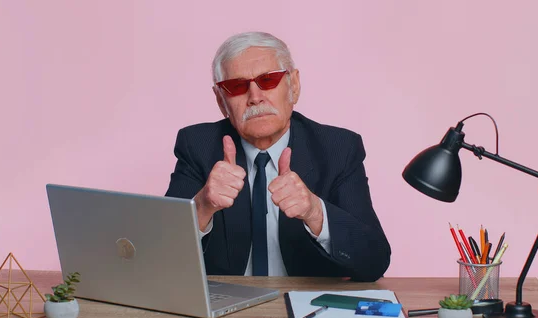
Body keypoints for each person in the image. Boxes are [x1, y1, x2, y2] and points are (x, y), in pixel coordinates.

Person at [165, 32, 390, 281]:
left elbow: (375, 260)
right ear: (221, 100)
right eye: (237, 86)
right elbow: (158, 255)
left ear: (293, 85)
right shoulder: (197, 146)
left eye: (268, 80)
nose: (255, 97)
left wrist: (315, 212)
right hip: (226, 310)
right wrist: (201, 207)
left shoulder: (338, 148)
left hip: (307, 308)